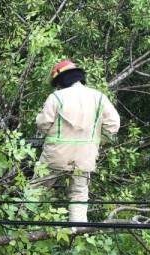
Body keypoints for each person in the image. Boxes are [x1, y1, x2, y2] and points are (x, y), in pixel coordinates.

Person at [33, 60, 120, 222]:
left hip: (55, 156)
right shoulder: (99, 97)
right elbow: (113, 124)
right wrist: (98, 141)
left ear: (61, 80)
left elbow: (43, 123)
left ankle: (19, 226)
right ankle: (78, 234)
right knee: (79, 195)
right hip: (84, 158)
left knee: (36, 190)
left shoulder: (56, 97)